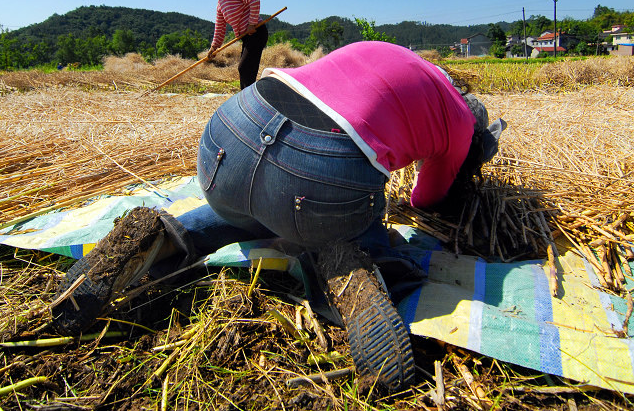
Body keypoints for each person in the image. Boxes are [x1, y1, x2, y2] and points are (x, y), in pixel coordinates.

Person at [51, 41, 506, 391]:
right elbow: (428, 200)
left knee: (251, 213)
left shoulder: (387, 52)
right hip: (317, 176)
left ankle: (163, 232)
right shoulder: (461, 125)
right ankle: (352, 270)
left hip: (230, 132)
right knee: (357, 227)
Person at [194, 0, 268, 90]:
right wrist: (213, 48)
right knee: (244, 69)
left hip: (256, 32)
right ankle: (245, 97)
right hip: (247, 37)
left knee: (244, 68)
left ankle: (248, 99)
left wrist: (251, 23)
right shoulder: (220, 3)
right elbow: (220, 28)